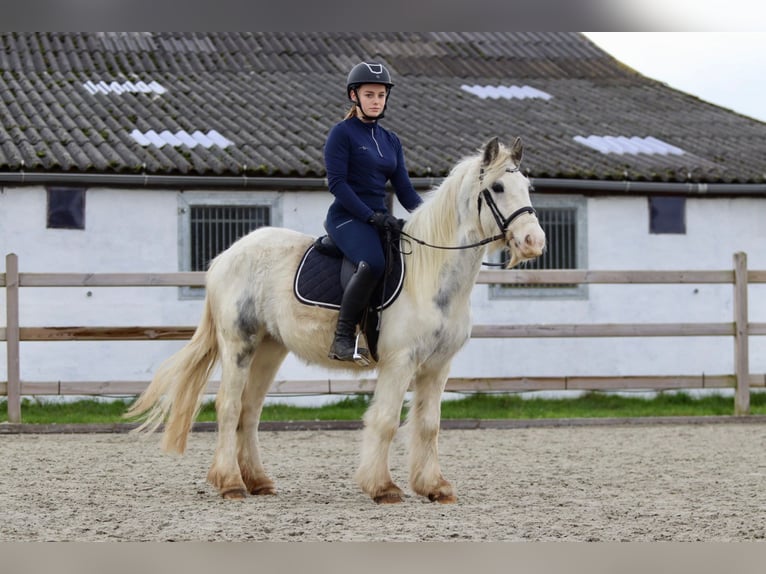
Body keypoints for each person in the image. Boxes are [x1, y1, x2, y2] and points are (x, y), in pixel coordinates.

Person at [324, 61, 423, 362]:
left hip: (380, 219)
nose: (376, 101)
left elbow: (404, 190)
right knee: (374, 263)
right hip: (347, 218)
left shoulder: (391, 140)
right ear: (354, 96)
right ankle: (342, 338)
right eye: (369, 94)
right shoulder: (342, 134)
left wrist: (430, 219)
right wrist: (369, 215)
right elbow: (338, 184)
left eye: (381, 95)